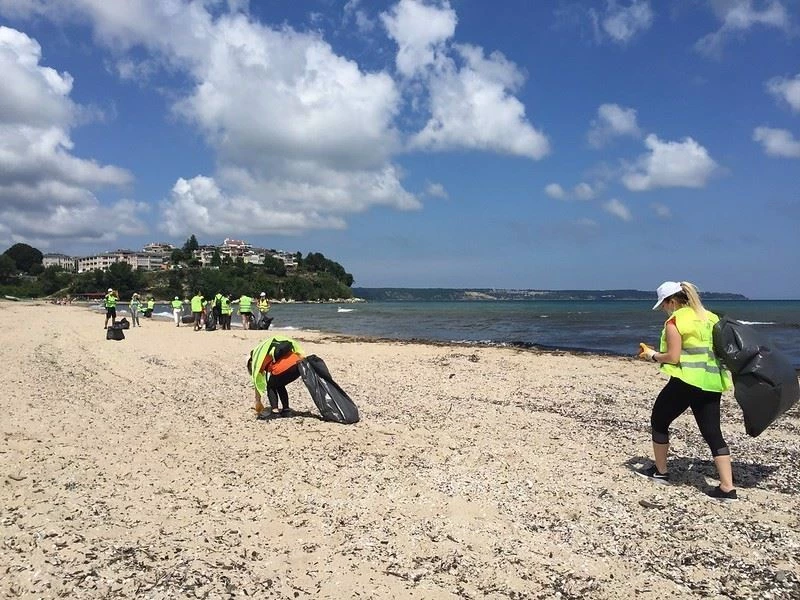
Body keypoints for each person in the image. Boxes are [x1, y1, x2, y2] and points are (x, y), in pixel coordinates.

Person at [636, 281, 736, 502]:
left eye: (663, 304)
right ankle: (728, 488)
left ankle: (661, 472)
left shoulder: (676, 320)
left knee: (659, 420)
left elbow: (673, 357)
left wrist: (652, 355)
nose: (663, 309)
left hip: (687, 380)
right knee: (713, 433)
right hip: (711, 381)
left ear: (672, 302)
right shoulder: (710, 317)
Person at [248, 335, 304, 419]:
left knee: (271, 385)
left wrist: (258, 401)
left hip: (282, 368)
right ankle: (286, 410)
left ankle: (275, 412)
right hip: (298, 365)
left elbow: (257, 381)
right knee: (279, 384)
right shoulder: (271, 348)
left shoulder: (258, 359)